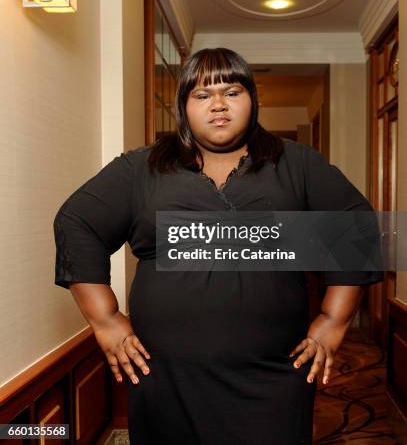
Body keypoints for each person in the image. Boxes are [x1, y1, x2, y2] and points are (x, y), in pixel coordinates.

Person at [54, 47, 383, 445]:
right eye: (202, 95)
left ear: (252, 100)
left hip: (274, 376)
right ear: (184, 106)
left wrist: (334, 320)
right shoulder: (141, 169)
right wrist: (105, 320)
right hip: (166, 376)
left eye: (232, 91)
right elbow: (77, 222)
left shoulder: (297, 164)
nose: (218, 105)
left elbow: (355, 224)